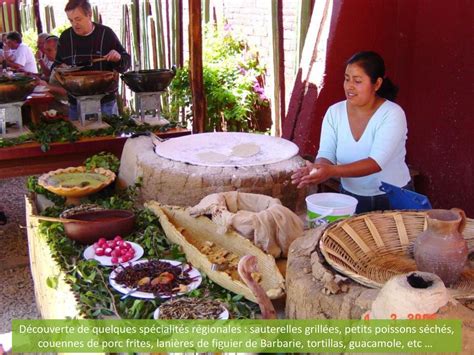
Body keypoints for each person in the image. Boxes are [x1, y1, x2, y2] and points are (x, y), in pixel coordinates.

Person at [291, 51, 411, 213]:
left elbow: (375, 163)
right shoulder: (335, 112)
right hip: (351, 197)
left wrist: (331, 171)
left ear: (377, 84)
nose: (349, 86)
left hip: (392, 198)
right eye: (347, 79)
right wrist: (318, 169)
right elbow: (326, 152)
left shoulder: (392, 114)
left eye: (358, 81)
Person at [54, 0, 131, 119]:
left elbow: (126, 64)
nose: (75, 24)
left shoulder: (106, 34)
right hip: (76, 102)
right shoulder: (65, 38)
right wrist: (61, 68)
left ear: (89, 15)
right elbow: (57, 65)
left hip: (105, 102)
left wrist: (118, 58)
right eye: (71, 20)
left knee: (108, 136)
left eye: (78, 19)